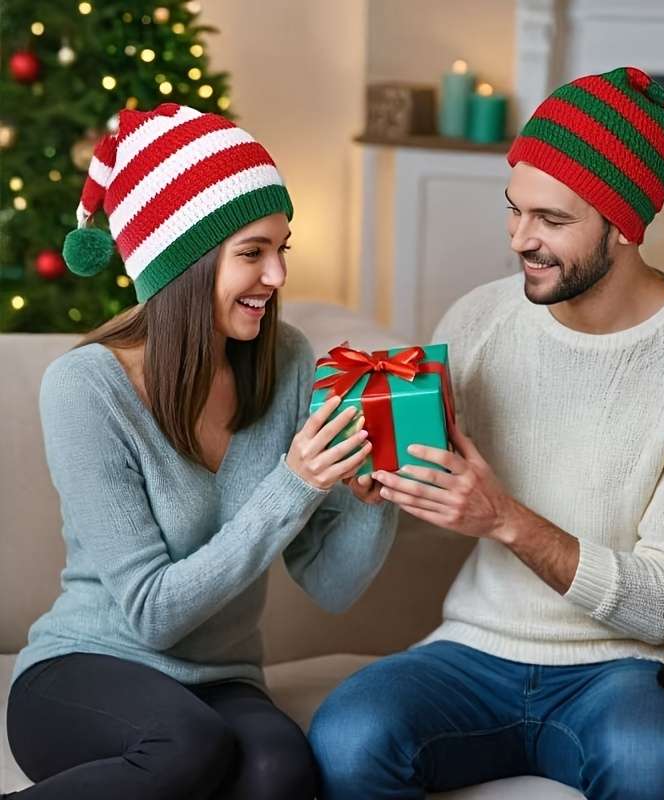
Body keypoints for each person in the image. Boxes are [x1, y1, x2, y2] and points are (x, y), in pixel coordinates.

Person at [309, 66, 664, 800]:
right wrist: (378, 486)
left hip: (628, 669)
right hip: (474, 651)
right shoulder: (478, 320)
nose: (522, 239)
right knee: (348, 733)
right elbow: (445, 496)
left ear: (623, 224)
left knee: (652, 764)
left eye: (552, 221)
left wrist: (508, 521)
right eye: (514, 211)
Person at [4, 102, 397, 800]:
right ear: (180, 264)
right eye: (252, 253)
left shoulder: (289, 360)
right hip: (85, 670)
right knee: (186, 746)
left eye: (283, 248)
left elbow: (330, 585)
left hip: (221, 682)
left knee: (286, 775)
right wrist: (294, 485)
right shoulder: (85, 388)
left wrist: (375, 494)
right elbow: (153, 614)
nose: (277, 277)